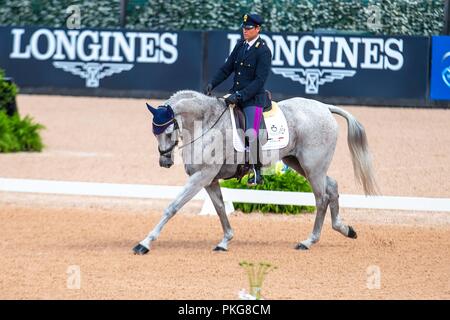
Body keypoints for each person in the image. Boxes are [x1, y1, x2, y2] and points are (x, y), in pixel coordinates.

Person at [204, 13, 272, 186]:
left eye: (249, 28)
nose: (245, 31)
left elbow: (259, 81)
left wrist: (240, 95)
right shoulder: (240, 45)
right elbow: (227, 68)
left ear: (258, 29)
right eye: (244, 28)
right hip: (235, 94)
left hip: (253, 99)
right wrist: (212, 83)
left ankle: (257, 172)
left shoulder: (263, 50)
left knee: (251, 132)